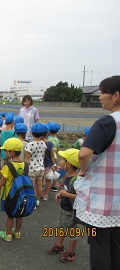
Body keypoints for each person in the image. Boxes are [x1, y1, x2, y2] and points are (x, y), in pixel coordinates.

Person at [77, 76, 120, 270]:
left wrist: (83, 172)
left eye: (103, 93)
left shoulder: (107, 122)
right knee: (116, 244)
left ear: (116, 96)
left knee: (99, 244)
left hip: (102, 199)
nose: (100, 97)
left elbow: (84, 153)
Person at [48, 148, 80, 263]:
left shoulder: (77, 180)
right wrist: (60, 194)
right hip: (64, 208)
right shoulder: (67, 175)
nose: (60, 161)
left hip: (71, 211)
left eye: (63, 160)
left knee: (72, 231)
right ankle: (59, 246)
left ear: (69, 164)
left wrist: (64, 193)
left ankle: (71, 253)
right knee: (61, 227)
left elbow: (80, 197)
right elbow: (64, 190)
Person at [0, 138, 26, 242]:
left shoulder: (8, 166)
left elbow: (2, 181)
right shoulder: (25, 165)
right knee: (19, 214)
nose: (4, 153)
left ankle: (8, 234)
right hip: (21, 194)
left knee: (10, 215)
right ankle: (17, 232)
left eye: (5, 151)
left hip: (9, 195)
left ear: (11, 152)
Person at [25, 123, 47, 209]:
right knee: (39, 185)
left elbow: (27, 158)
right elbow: (43, 156)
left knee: (32, 186)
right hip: (41, 167)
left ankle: (32, 202)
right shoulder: (43, 144)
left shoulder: (30, 145)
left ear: (31, 133)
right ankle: (37, 201)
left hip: (32, 169)